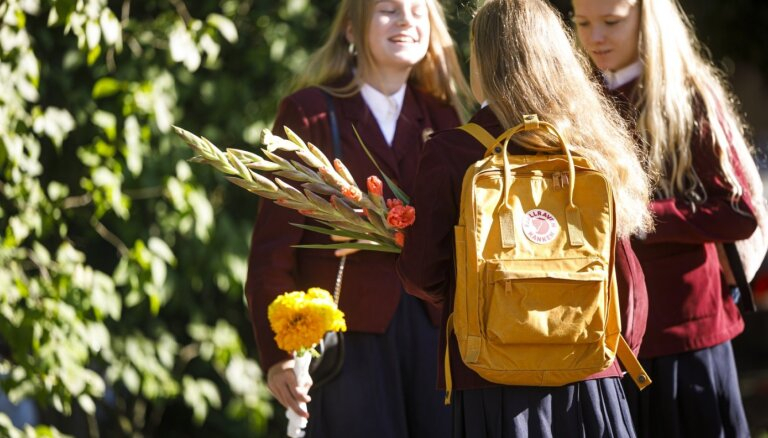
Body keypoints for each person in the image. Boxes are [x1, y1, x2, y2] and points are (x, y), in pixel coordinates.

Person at [396, 0, 654, 436]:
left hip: (490, 384)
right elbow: (628, 283)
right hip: (588, 377)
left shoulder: (451, 153)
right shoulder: (591, 145)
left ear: (482, 59)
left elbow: (422, 275)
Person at [244, 1, 470, 437]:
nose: (406, 19)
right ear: (351, 29)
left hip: (436, 342)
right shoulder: (309, 113)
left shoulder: (446, 116)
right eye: (388, 9)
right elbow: (272, 252)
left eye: (418, 10)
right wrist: (280, 356)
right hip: (345, 345)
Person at [570, 0, 759, 436]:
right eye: (582, 23)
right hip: (609, 341)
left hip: (688, 338)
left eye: (611, 22)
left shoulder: (688, 95)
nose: (595, 36)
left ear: (646, 17)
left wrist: (645, 218)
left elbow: (739, 212)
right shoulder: (576, 98)